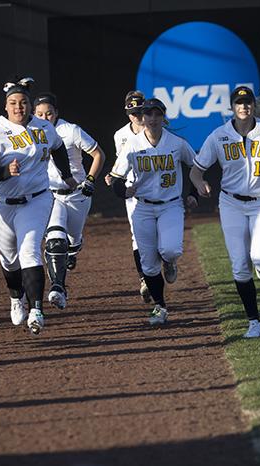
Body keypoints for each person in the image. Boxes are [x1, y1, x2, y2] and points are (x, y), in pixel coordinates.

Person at [189, 84, 260, 338]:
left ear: (253, 105)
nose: (244, 106)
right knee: (240, 266)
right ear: (232, 107)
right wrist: (199, 183)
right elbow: (196, 170)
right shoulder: (219, 136)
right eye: (239, 103)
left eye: (248, 102)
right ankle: (254, 322)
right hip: (231, 203)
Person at [0, 76, 76, 334]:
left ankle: (37, 310)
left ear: (30, 105)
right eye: (13, 103)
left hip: (36, 200)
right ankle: (15, 297)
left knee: (29, 251)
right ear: (6, 107)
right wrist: (4, 172)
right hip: (1, 204)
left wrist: (66, 175)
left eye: (23, 102)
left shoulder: (44, 127)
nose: (18, 107)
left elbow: (58, 147)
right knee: (10, 260)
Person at [110, 98, 197, 325]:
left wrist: (194, 194)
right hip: (142, 207)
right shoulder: (132, 144)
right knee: (148, 264)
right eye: (149, 114)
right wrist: (123, 192)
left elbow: (197, 167)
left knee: (170, 250)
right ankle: (160, 306)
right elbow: (116, 177)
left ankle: (169, 262)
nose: (153, 119)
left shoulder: (176, 143)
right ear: (143, 117)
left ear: (163, 117)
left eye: (157, 114)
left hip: (170, 205)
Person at [33, 92, 106, 310]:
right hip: (49, 195)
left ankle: (74, 247)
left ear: (56, 113)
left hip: (76, 194)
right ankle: (58, 287)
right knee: (55, 240)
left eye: (49, 113)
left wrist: (91, 180)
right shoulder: (30, 132)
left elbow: (98, 154)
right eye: (39, 114)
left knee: (72, 240)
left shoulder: (70, 130)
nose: (44, 117)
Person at [106, 91, 151, 303]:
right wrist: (114, 177)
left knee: (160, 239)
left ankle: (167, 261)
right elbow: (120, 165)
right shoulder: (120, 135)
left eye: (140, 111)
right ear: (127, 112)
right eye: (132, 112)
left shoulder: (155, 129)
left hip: (157, 189)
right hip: (132, 191)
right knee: (137, 235)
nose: (137, 116)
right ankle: (145, 279)